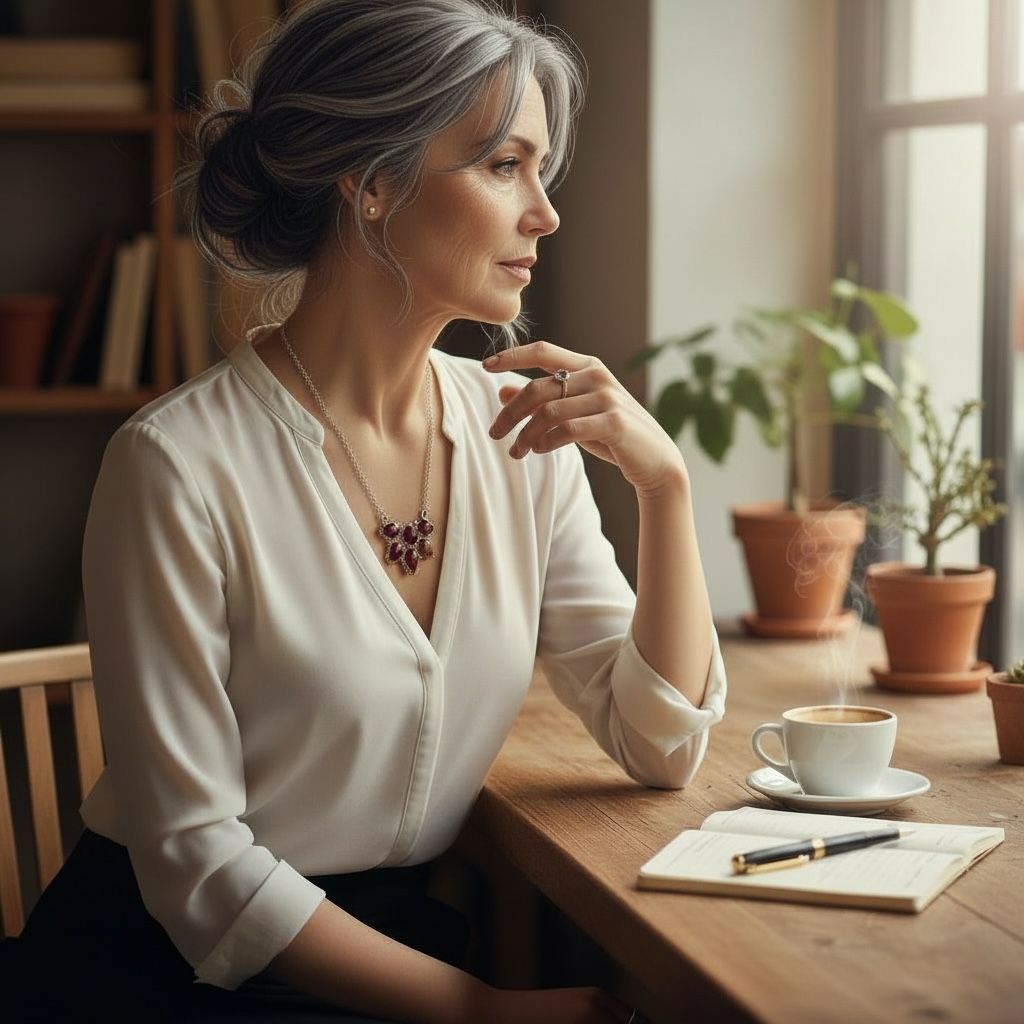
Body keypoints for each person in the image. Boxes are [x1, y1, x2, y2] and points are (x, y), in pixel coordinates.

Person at [5, 1, 726, 1020]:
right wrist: (479, 1010)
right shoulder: (175, 465)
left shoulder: (520, 438)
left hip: (393, 950)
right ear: (373, 183)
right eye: (504, 165)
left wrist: (664, 488)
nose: (545, 214)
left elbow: (660, 745)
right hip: (166, 970)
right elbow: (196, 861)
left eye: (541, 169)